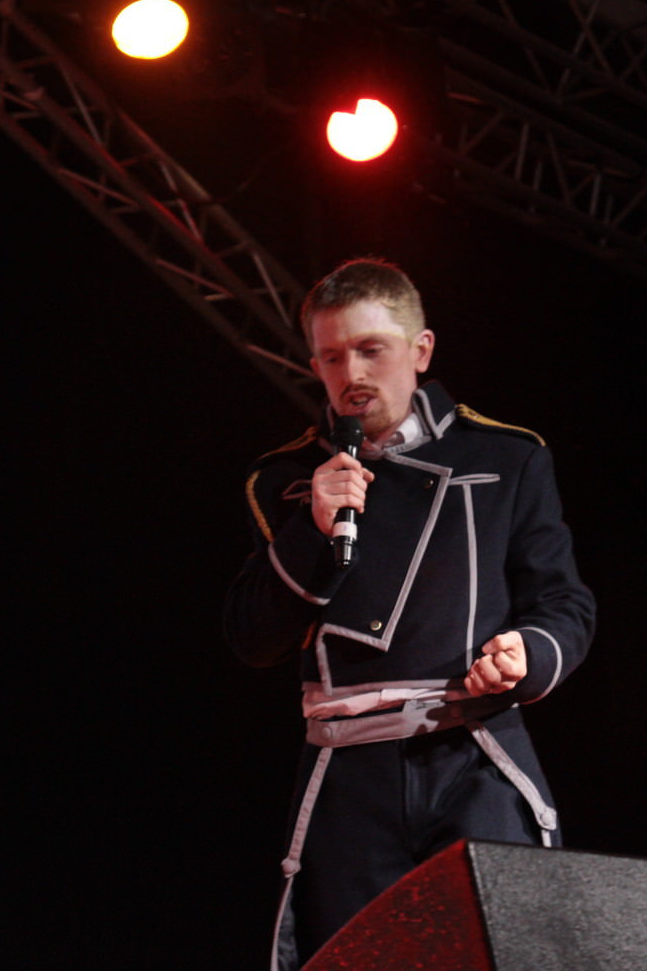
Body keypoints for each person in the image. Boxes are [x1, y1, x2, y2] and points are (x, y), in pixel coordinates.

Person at [225, 258, 596, 969]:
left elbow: (564, 603)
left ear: (420, 350)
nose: (352, 373)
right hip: (349, 772)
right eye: (333, 357)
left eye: (372, 349)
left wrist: (528, 653)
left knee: (501, 952)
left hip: (473, 753)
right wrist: (312, 529)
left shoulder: (506, 456)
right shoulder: (284, 480)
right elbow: (251, 637)